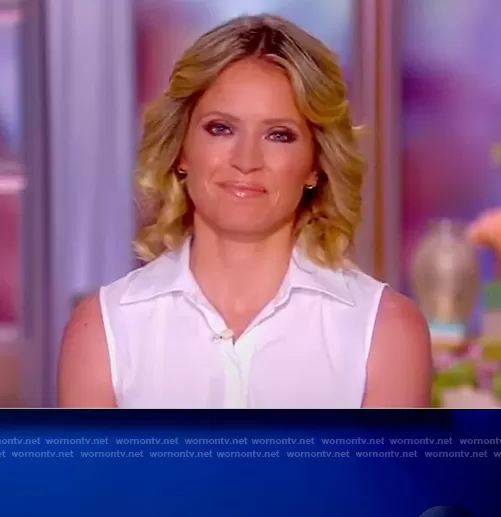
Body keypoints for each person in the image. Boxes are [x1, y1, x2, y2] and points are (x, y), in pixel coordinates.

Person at [57, 14, 432, 408]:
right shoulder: (104, 330)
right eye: (221, 128)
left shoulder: (385, 332)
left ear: (315, 164)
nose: (246, 160)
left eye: (279, 135)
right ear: (181, 149)